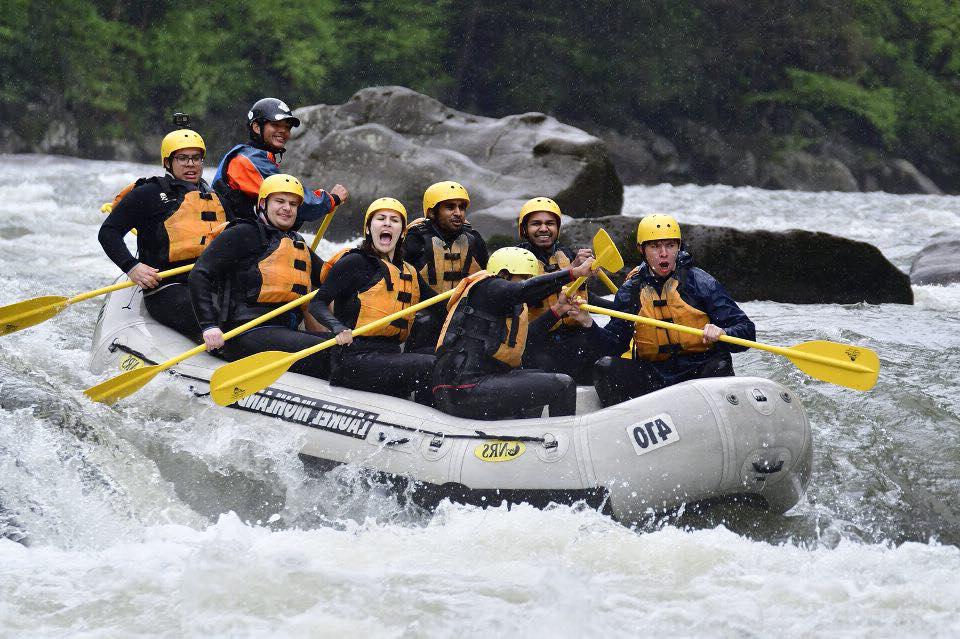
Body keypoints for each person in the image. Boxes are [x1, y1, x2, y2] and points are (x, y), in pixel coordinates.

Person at [590, 214, 756, 406]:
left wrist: (723, 333)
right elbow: (614, 345)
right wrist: (588, 325)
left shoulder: (700, 283)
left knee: (719, 365)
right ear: (641, 250)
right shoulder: (631, 291)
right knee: (605, 367)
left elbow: (747, 332)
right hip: (653, 374)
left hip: (698, 369)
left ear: (679, 247)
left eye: (670, 245)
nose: (663, 253)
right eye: (655, 246)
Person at [189, 174, 332, 379]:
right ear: (263, 203)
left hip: (283, 331)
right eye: (280, 201)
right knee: (331, 350)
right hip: (246, 332)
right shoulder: (244, 232)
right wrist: (209, 326)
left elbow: (331, 278)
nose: (287, 208)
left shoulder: (296, 242)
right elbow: (200, 274)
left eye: (293, 204)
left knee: (343, 344)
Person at [432, 247, 596, 420]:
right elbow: (523, 290)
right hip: (462, 387)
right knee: (563, 384)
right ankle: (561, 439)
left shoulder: (508, 306)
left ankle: (527, 435)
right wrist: (574, 272)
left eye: (529, 278)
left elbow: (528, 337)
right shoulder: (488, 287)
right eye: (523, 278)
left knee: (540, 376)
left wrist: (558, 310)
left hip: (471, 385)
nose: (527, 282)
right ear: (503, 274)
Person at [99, 127, 227, 341]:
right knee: (220, 318)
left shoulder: (214, 197)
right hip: (167, 287)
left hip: (208, 282)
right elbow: (108, 232)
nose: (190, 164)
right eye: (182, 158)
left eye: (196, 158)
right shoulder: (148, 193)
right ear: (168, 162)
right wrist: (132, 267)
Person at [307, 198, 440, 400]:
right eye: (380, 218)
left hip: (389, 354)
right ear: (368, 229)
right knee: (430, 365)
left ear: (402, 232)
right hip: (353, 358)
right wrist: (338, 327)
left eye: (394, 220)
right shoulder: (354, 261)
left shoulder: (408, 272)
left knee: (444, 358)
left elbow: (440, 305)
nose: (387, 223)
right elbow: (317, 303)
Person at [514, 196, 613, 384]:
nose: (544, 229)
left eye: (550, 223)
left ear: (557, 228)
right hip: (535, 339)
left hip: (571, 336)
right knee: (547, 364)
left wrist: (619, 305)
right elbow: (529, 292)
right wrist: (572, 271)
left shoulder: (566, 254)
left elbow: (585, 297)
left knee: (604, 353)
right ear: (524, 229)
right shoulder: (515, 260)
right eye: (536, 224)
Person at [211, 97, 349, 223]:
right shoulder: (247, 160)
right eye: (276, 125)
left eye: (287, 127)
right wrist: (331, 199)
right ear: (257, 127)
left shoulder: (254, 155)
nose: (283, 131)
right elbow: (292, 200)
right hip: (241, 238)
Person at [403, 181, 489, 352]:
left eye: (462, 208)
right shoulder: (415, 239)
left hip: (464, 320)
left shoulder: (474, 240)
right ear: (432, 212)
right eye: (450, 207)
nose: (458, 213)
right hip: (425, 321)